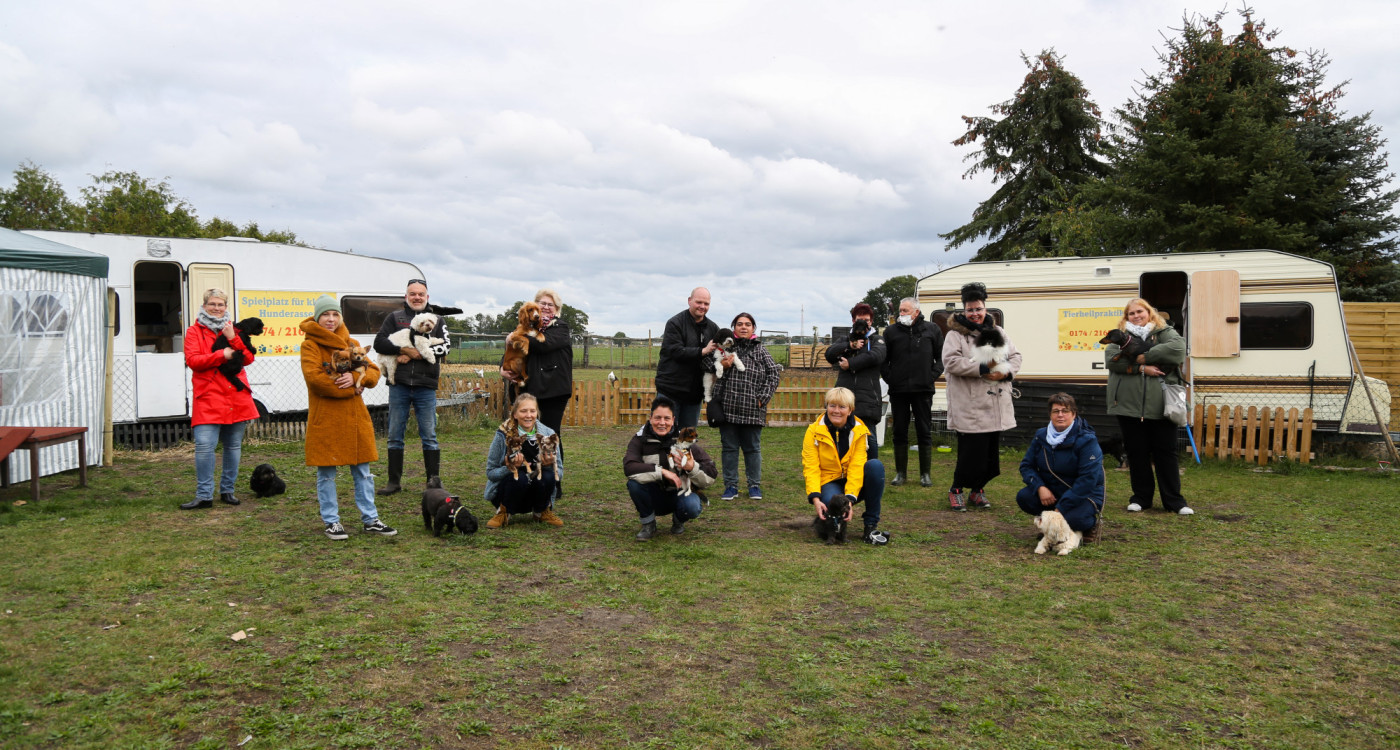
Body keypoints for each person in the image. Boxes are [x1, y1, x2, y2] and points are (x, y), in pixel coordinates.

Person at [300, 295, 396, 540]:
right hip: (326, 418)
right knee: (326, 474)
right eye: (325, 315)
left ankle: (370, 519)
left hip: (354, 419)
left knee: (363, 472)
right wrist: (350, 389)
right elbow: (315, 380)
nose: (330, 319)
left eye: (335, 315)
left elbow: (373, 372)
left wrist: (356, 378)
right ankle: (332, 521)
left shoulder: (351, 342)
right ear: (317, 317)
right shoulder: (310, 345)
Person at [1106, 298, 1194, 515]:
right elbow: (1112, 360)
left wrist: (1143, 356)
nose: (1136, 316)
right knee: (1137, 453)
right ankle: (1141, 498)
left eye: (1140, 311)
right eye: (1131, 313)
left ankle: (1175, 501)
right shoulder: (1119, 335)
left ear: (1149, 312)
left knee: (1166, 453)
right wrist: (1143, 368)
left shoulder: (1165, 331)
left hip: (1162, 405)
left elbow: (1177, 349)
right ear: (1126, 317)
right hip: (1128, 405)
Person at [942, 282, 1021, 511]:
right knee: (970, 455)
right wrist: (984, 368)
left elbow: (1015, 356)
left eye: (978, 309)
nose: (975, 314)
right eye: (970, 309)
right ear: (963, 311)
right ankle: (956, 489)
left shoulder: (998, 332)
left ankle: (977, 491)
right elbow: (951, 363)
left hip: (995, 403)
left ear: (985, 309)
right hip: (970, 405)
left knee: (989, 459)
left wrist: (1005, 371)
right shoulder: (955, 335)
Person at [181, 288, 258, 510]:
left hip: (236, 395)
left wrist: (233, 340)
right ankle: (204, 495)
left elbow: (248, 358)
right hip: (208, 396)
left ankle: (227, 491)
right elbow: (193, 361)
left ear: (226, 307)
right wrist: (220, 355)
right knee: (205, 446)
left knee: (233, 446)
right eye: (212, 304)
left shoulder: (234, 330)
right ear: (204, 306)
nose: (216, 308)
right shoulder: (194, 331)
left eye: (220, 304)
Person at [372, 278, 450, 496]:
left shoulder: (438, 320)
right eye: (413, 294)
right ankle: (393, 482)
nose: (417, 297)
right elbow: (379, 343)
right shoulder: (394, 318)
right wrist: (404, 352)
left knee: (429, 434)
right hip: (400, 385)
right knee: (395, 433)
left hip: (426, 385)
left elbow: (446, 348)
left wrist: (418, 355)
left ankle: (433, 481)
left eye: (421, 294)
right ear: (406, 297)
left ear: (427, 297)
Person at [801, 387, 889, 545]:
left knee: (875, 466)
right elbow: (811, 466)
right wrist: (815, 497)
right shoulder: (812, 431)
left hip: (853, 483)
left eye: (842, 407)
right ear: (826, 406)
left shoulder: (860, 431)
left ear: (850, 410)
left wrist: (849, 499)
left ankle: (870, 525)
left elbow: (857, 466)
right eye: (832, 405)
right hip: (829, 481)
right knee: (829, 503)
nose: (836, 411)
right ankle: (828, 525)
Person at [623, 396, 718, 540]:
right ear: (650, 418)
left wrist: (692, 467)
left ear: (673, 420)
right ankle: (648, 524)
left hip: (679, 493)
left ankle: (679, 519)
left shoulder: (684, 440)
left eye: (667, 418)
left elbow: (711, 474)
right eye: (657, 418)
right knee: (634, 484)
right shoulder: (639, 439)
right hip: (653, 495)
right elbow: (629, 467)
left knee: (692, 506)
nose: (662, 423)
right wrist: (662, 472)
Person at [1016, 393, 1105, 541]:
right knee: (1024, 497)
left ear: (1074, 414)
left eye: (1065, 411)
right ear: (1050, 414)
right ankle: (1055, 526)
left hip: (1083, 494)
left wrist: (1060, 509)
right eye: (1056, 411)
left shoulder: (1087, 440)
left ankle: (1088, 526)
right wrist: (1040, 487)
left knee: (1075, 519)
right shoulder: (1041, 436)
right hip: (1052, 492)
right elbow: (1026, 466)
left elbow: (1088, 479)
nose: (1060, 415)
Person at [713, 312, 782, 500]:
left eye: (748, 324)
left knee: (752, 449)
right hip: (728, 407)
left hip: (752, 408)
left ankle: (754, 485)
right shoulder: (724, 349)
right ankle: (731, 486)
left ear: (753, 329)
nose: (744, 327)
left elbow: (773, 374)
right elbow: (710, 368)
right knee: (729, 449)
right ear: (733, 328)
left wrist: (763, 398)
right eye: (740, 324)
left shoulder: (761, 350)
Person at [880, 297, 944, 485]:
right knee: (899, 430)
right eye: (900, 311)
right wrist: (890, 378)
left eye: (905, 311)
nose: (901, 314)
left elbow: (942, 358)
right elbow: (883, 361)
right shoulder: (891, 332)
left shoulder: (932, 329)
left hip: (923, 390)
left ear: (916, 312)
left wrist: (930, 376)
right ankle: (901, 473)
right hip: (898, 390)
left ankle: (925, 474)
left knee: (924, 430)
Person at [483, 393, 565, 528]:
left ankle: (541, 510)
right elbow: (490, 473)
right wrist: (509, 467)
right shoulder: (503, 434)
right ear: (515, 414)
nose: (528, 415)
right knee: (519, 478)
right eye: (523, 411)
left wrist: (548, 466)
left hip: (535, 493)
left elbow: (559, 474)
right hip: (510, 491)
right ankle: (503, 512)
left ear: (537, 413)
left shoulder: (548, 434)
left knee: (548, 475)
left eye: (532, 411)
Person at [826, 303, 887, 458]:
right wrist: (850, 345)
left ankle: (872, 472)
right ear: (853, 320)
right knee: (843, 439)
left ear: (871, 322)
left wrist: (850, 363)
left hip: (867, 398)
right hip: (844, 398)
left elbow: (876, 356)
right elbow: (830, 354)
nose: (863, 323)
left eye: (866, 320)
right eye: (859, 319)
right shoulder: (844, 339)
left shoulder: (877, 340)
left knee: (869, 438)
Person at [654, 287, 719, 429]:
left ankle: (685, 452)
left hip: (694, 394)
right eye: (699, 302)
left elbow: (717, 356)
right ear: (690, 301)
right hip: (670, 391)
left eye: (706, 304)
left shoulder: (713, 328)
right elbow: (675, 351)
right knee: (664, 434)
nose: (702, 307)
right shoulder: (675, 323)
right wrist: (703, 351)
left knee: (687, 438)